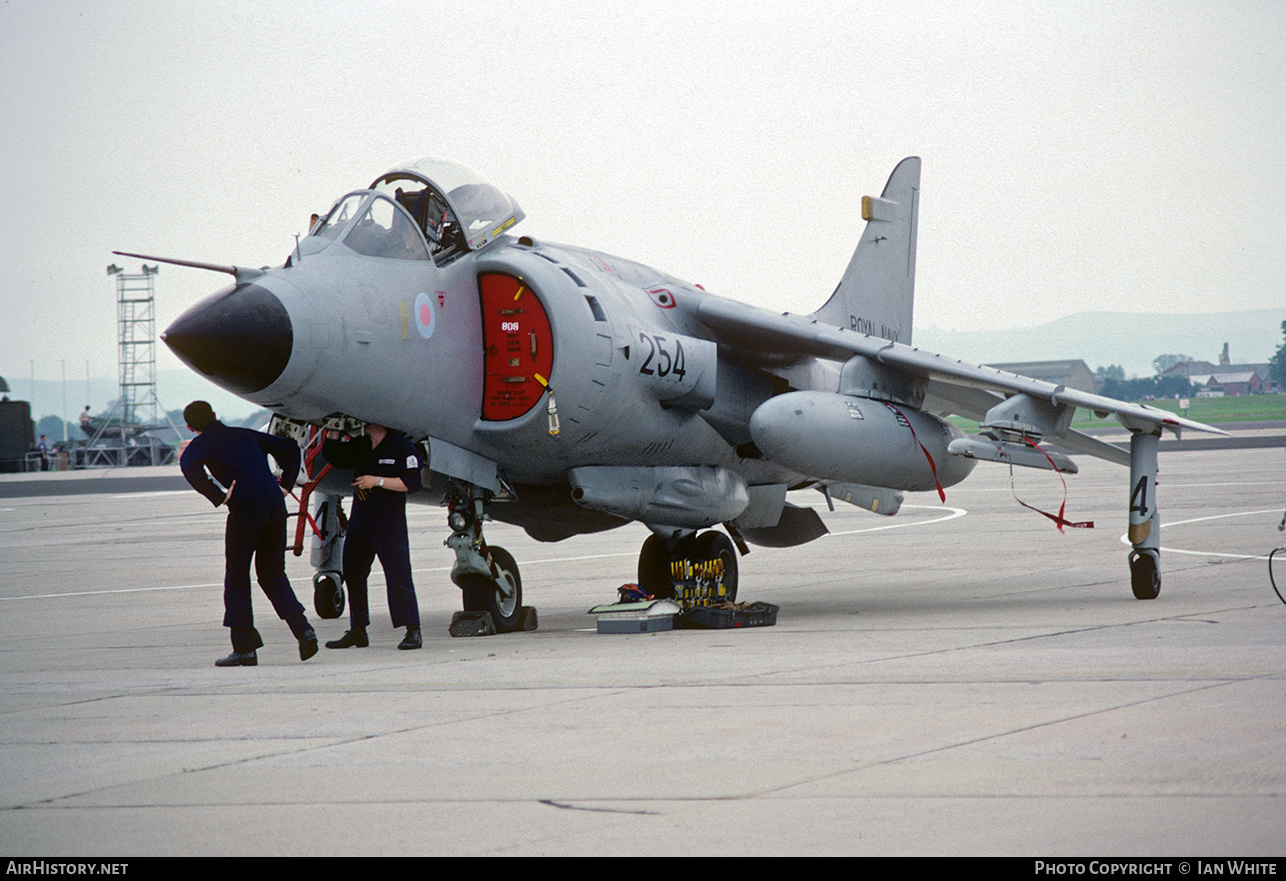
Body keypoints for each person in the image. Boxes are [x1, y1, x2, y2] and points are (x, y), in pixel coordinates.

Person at [179, 401, 318, 667]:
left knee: (237, 576)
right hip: (274, 502)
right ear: (215, 414)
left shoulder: (201, 445)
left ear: (190, 426)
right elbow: (289, 449)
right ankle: (303, 630)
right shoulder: (244, 434)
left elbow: (188, 465)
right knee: (272, 573)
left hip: (245, 504)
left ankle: (244, 648)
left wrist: (219, 497)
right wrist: (286, 486)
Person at [321, 423, 423, 650]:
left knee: (398, 574)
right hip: (361, 519)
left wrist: (376, 481)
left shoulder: (402, 447)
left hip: (389, 521)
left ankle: (412, 630)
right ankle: (358, 630)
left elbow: (412, 482)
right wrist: (333, 433)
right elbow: (337, 458)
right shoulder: (362, 445)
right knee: (353, 572)